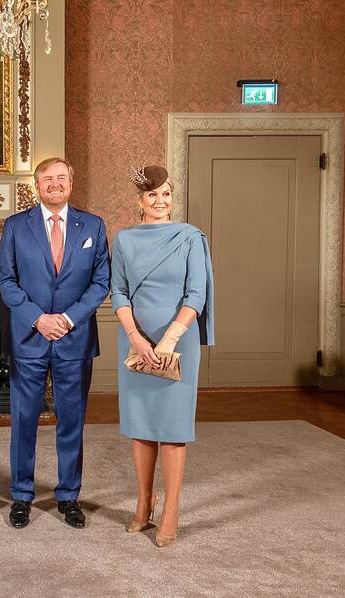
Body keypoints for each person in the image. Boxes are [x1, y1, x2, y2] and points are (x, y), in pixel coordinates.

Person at [0, 157, 110, 529]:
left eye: (62, 177)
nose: (55, 184)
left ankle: (68, 496)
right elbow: (6, 281)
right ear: (37, 185)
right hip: (29, 338)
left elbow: (101, 283)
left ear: (71, 183)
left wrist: (65, 319)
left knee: (72, 422)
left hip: (74, 340)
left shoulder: (93, 226)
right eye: (48, 179)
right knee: (24, 421)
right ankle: (21, 496)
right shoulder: (15, 226)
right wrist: (38, 318)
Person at [110, 165, 215, 548]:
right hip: (135, 343)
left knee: (172, 430)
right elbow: (118, 291)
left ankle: (171, 509)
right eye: (152, 194)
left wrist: (169, 339)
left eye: (166, 194)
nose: (161, 201)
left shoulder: (189, 237)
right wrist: (136, 337)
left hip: (177, 342)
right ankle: (143, 502)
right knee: (141, 428)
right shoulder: (124, 240)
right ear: (140, 200)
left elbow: (196, 295)